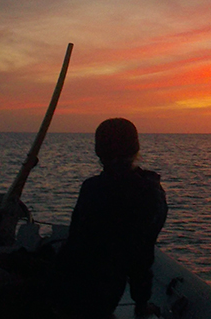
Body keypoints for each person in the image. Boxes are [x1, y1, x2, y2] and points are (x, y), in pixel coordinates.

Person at [52, 118, 167, 318]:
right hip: (99, 294)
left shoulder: (91, 188)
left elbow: (75, 242)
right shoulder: (149, 194)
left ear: (99, 153)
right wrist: (141, 306)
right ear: (135, 149)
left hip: (66, 286)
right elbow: (141, 258)